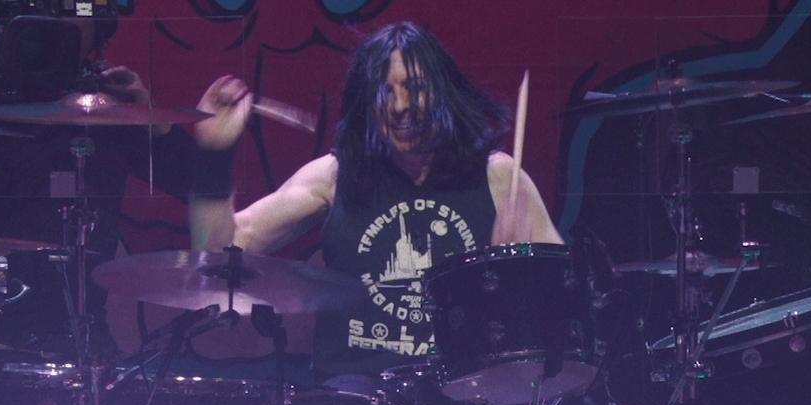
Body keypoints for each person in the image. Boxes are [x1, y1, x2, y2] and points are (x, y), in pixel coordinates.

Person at [190, 20, 561, 378]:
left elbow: (563, 302)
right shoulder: (334, 176)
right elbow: (219, 252)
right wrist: (211, 158)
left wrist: (521, 271)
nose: (400, 106)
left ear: (442, 92)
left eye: (414, 88)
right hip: (354, 399)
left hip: (465, 396)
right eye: (386, 92)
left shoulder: (498, 177)